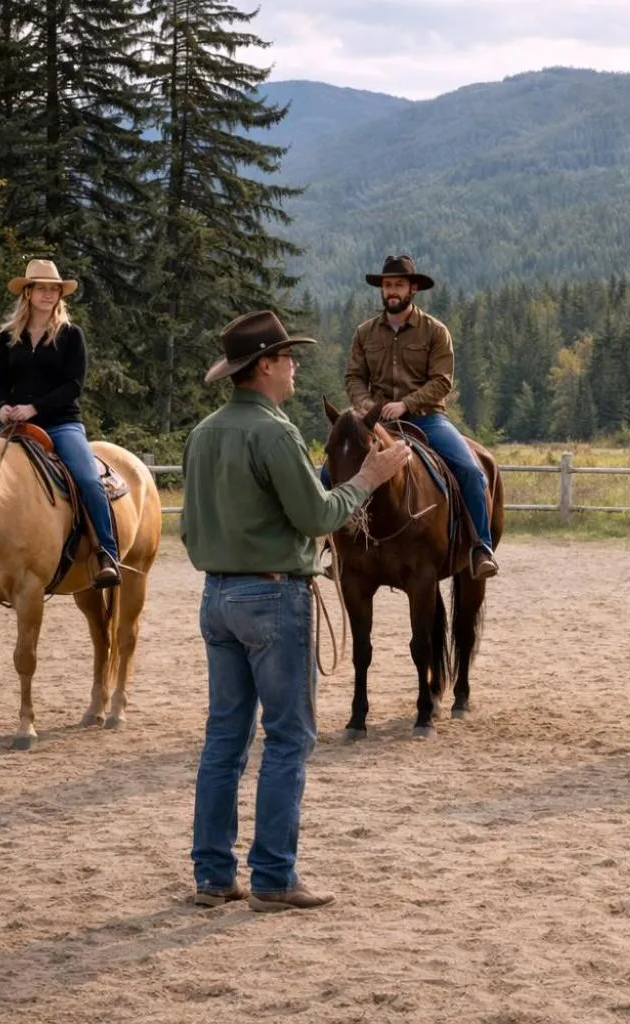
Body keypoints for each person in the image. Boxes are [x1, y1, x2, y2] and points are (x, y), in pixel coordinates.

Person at [182, 310, 412, 911]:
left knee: (224, 739)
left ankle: (212, 875)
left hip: (217, 597)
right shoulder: (276, 432)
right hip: (273, 598)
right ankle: (274, 878)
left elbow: (190, 528)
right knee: (288, 737)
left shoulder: (204, 433)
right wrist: (369, 475)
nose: (295, 367)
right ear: (265, 366)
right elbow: (317, 517)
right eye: (288, 358)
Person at [343, 254, 498, 580]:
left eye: (398, 284)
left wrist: (407, 404)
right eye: (387, 285)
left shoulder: (434, 331)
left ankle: (480, 547)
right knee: (334, 467)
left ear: (413, 288)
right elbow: (354, 377)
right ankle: (333, 545)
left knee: (471, 470)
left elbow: (442, 380)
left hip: (427, 419)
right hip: (376, 421)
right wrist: (367, 405)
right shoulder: (365, 333)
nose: (392, 291)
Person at [0, 258, 119, 587]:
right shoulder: (8, 338)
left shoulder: (70, 335)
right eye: (42, 289)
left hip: (62, 424)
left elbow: (73, 386)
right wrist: (3, 407)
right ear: (28, 293)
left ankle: (107, 551)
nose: (49, 295)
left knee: (89, 480)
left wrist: (34, 408)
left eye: (54, 290)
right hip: (16, 427)